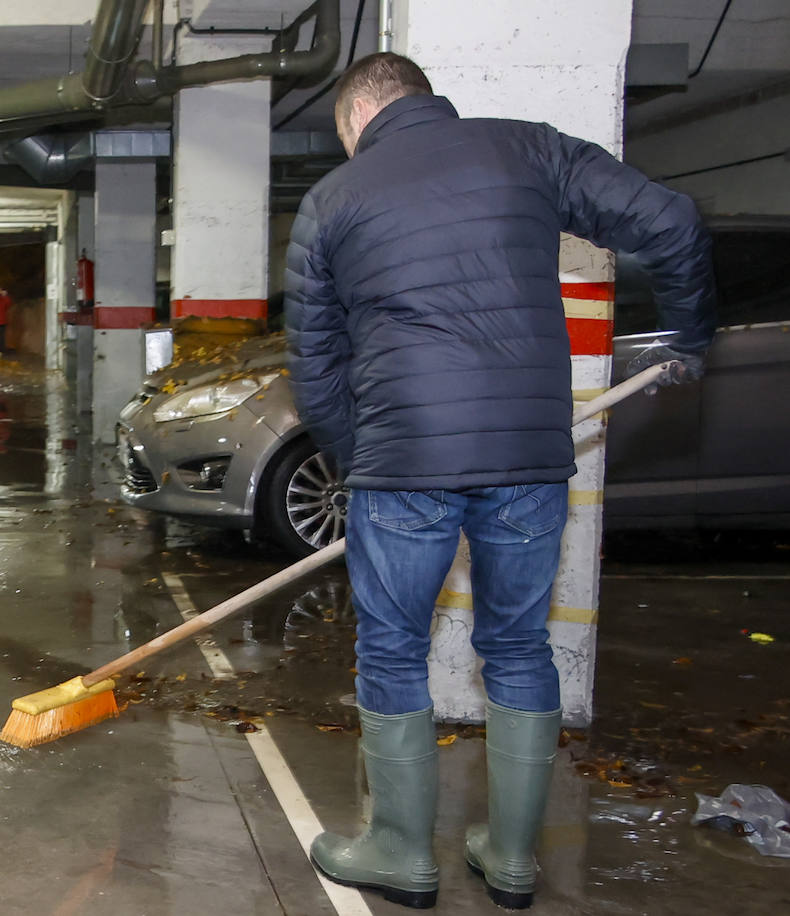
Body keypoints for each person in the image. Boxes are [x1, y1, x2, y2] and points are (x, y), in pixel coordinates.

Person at [284, 53, 715, 911]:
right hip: (528, 457)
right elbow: (672, 222)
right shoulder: (528, 150)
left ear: (356, 116)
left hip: (403, 462)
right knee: (518, 648)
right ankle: (512, 858)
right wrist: (689, 337)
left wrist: (362, 455)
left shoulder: (332, 201)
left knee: (393, 651)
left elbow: (317, 363)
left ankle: (403, 854)